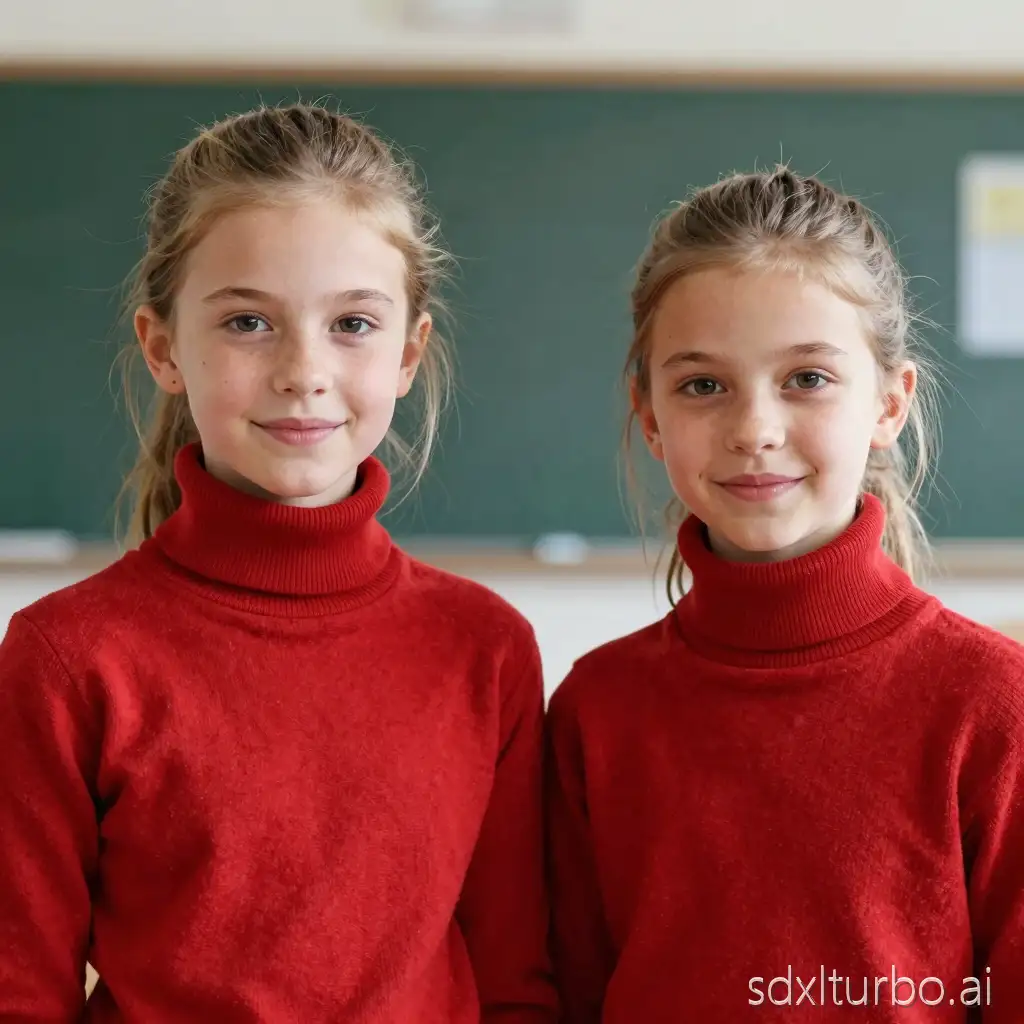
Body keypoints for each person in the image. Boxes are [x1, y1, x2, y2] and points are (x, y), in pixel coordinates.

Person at [0, 103, 557, 1023]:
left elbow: (517, 986)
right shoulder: (67, 658)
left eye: (353, 323)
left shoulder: (483, 649)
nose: (304, 368)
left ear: (409, 352)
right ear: (162, 347)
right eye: (249, 322)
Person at [545, 166, 1024, 1022]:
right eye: (702, 385)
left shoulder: (993, 703)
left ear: (889, 401)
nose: (754, 429)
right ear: (648, 414)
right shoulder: (597, 710)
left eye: (806, 378)